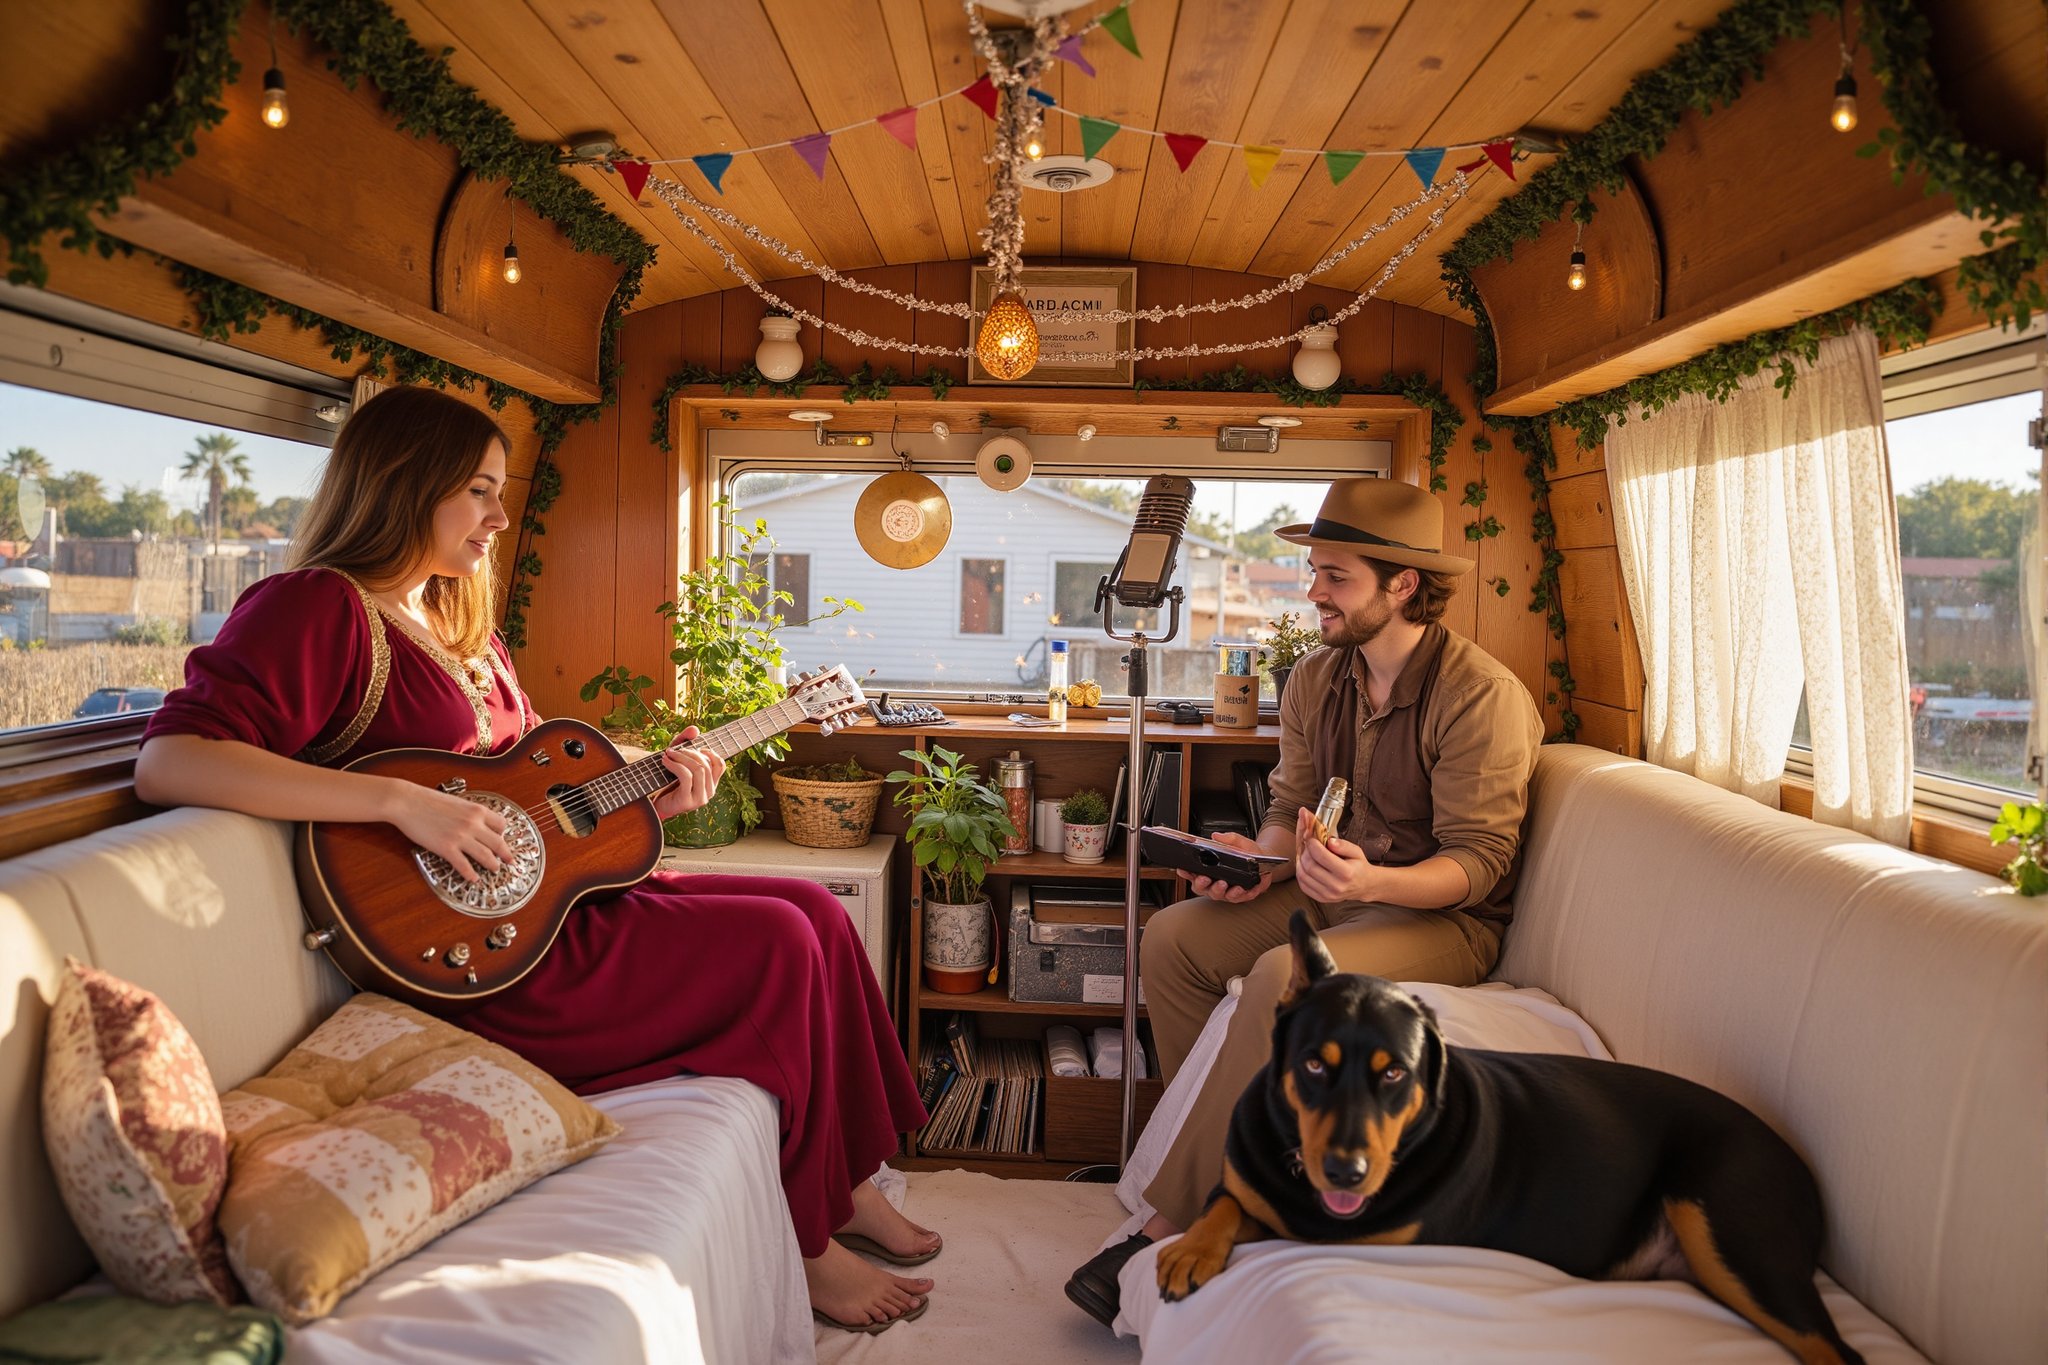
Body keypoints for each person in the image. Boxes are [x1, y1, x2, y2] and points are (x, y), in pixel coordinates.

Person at [134, 386, 938, 1334]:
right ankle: (806, 1245)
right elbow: (169, 760)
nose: (500, 516)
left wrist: (659, 786)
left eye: (500, 491)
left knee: (816, 913)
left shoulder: (459, 626)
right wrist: (399, 803)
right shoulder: (320, 608)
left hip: (543, 911)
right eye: (478, 491)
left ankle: (842, 1186)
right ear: (406, 484)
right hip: (473, 960)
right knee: (777, 939)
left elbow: (527, 802)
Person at [1064, 477, 1545, 1328]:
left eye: (1335, 576)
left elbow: (1481, 863)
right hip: (1336, 892)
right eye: (1314, 570)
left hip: (1442, 919)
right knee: (1175, 936)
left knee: (1283, 973)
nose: (1311, 591)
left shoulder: (1481, 697)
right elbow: (1291, 813)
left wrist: (1370, 884)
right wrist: (1252, 859)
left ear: (1402, 584)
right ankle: (1229, 1149)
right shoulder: (1317, 678)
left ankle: (1183, 1216)